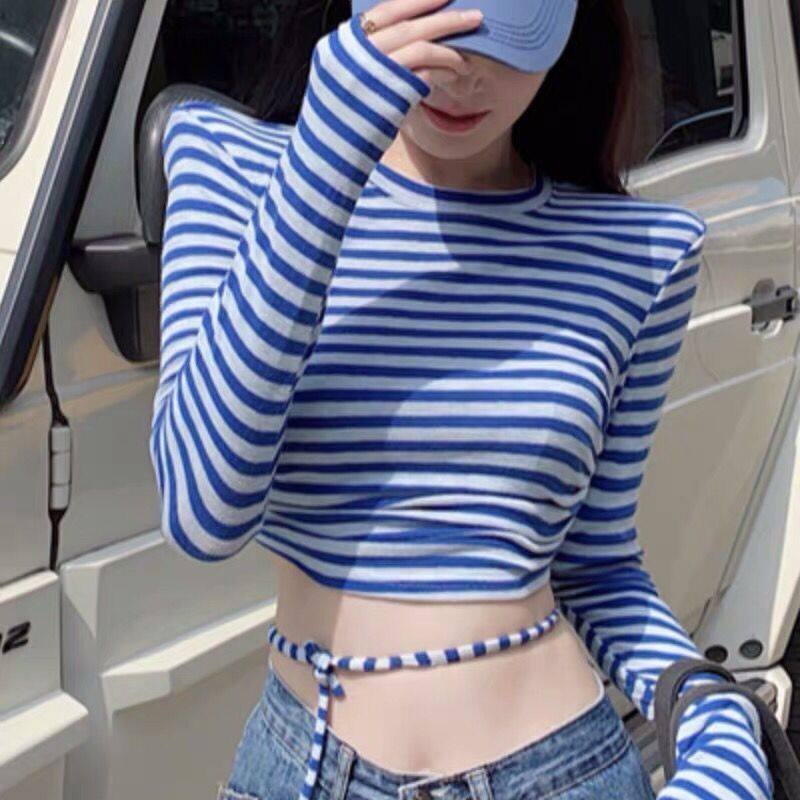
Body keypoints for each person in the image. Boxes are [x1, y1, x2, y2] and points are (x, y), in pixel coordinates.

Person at [149, 0, 773, 798]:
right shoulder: (228, 164)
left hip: (559, 771)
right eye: (438, 26)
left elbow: (595, 565)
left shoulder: (638, 252)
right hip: (304, 766)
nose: (465, 72)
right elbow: (201, 513)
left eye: (507, 38)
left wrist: (709, 709)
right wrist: (325, 155)